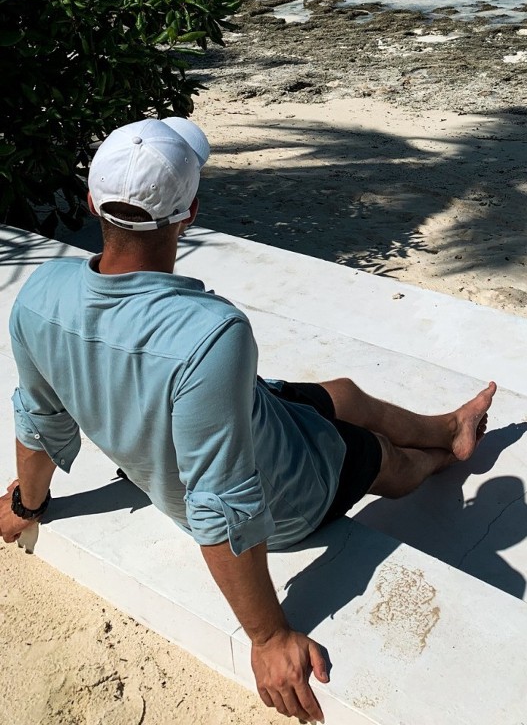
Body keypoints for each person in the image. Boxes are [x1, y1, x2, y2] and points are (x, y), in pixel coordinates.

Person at [1, 118, 496, 724]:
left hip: (250, 419)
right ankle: (444, 458)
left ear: (90, 201)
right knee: (380, 457)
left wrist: (29, 502)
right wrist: (268, 638)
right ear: (189, 213)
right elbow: (220, 502)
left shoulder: (40, 294)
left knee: (342, 392)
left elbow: (39, 418)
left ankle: (450, 427)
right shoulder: (211, 334)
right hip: (287, 498)